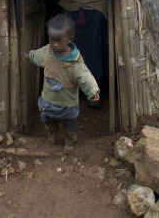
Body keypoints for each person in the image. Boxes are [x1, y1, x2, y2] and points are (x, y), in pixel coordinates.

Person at [21, 14, 100, 153]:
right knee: (46, 120)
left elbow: (85, 76)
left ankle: (70, 140)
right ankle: (52, 132)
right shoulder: (48, 52)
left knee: (69, 126)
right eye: (52, 40)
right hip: (48, 99)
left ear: (70, 39)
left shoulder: (74, 61)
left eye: (59, 41)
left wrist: (92, 91)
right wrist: (30, 56)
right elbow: (38, 55)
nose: (55, 45)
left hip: (67, 103)